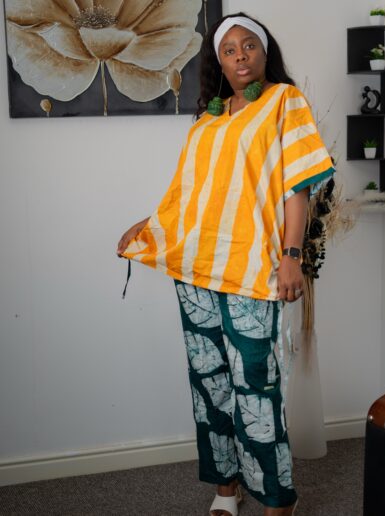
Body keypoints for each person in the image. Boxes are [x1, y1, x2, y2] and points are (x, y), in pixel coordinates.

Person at [117, 11, 335, 516]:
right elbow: (191, 194)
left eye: (249, 46)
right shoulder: (208, 118)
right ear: (218, 60)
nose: (240, 56)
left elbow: (297, 187)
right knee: (209, 382)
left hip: (251, 267)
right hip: (196, 268)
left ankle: (277, 497)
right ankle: (226, 488)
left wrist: (291, 256)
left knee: (255, 384)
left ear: (264, 51)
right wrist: (147, 225)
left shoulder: (284, 101)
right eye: (229, 50)